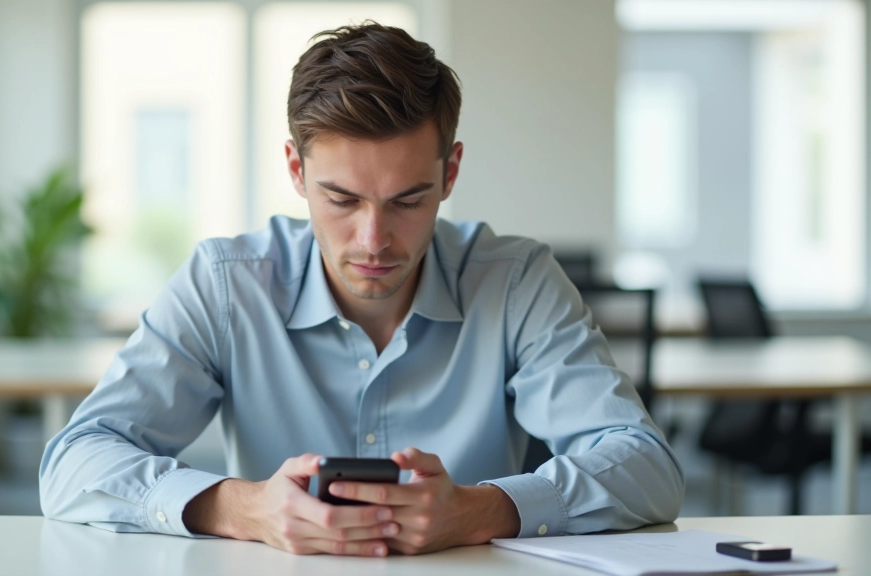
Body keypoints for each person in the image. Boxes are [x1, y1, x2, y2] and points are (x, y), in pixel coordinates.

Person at [40, 22, 684, 557]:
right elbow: (73, 464)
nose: (374, 240)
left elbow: (647, 468)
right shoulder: (226, 283)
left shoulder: (516, 281)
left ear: (450, 172)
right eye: (341, 198)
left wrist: (484, 510)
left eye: (408, 199)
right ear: (296, 170)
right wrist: (242, 506)